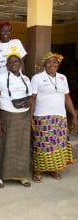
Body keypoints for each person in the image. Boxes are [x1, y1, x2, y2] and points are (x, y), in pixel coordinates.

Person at [30, 52, 77, 182]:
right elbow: (32, 99)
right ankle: (37, 170)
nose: (52, 64)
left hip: (60, 117)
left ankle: (53, 168)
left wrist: (74, 116)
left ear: (58, 65)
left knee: (57, 144)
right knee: (41, 145)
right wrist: (31, 118)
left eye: (55, 62)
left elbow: (67, 97)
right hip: (42, 117)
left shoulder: (63, 78)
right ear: (44, 65)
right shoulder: (37, 78)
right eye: (49, 62)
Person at [0, 52, 32, 188]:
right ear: (7, 66)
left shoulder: (26, 79)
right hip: (7, 114)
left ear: (20, 64)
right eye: (11, 62)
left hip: (24, 115)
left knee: (22, 145)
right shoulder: (2, 78)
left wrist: (30, 102)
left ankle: (22, 175)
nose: (14, 64)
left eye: (16, 62)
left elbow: (31, 96)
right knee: (4, 144)